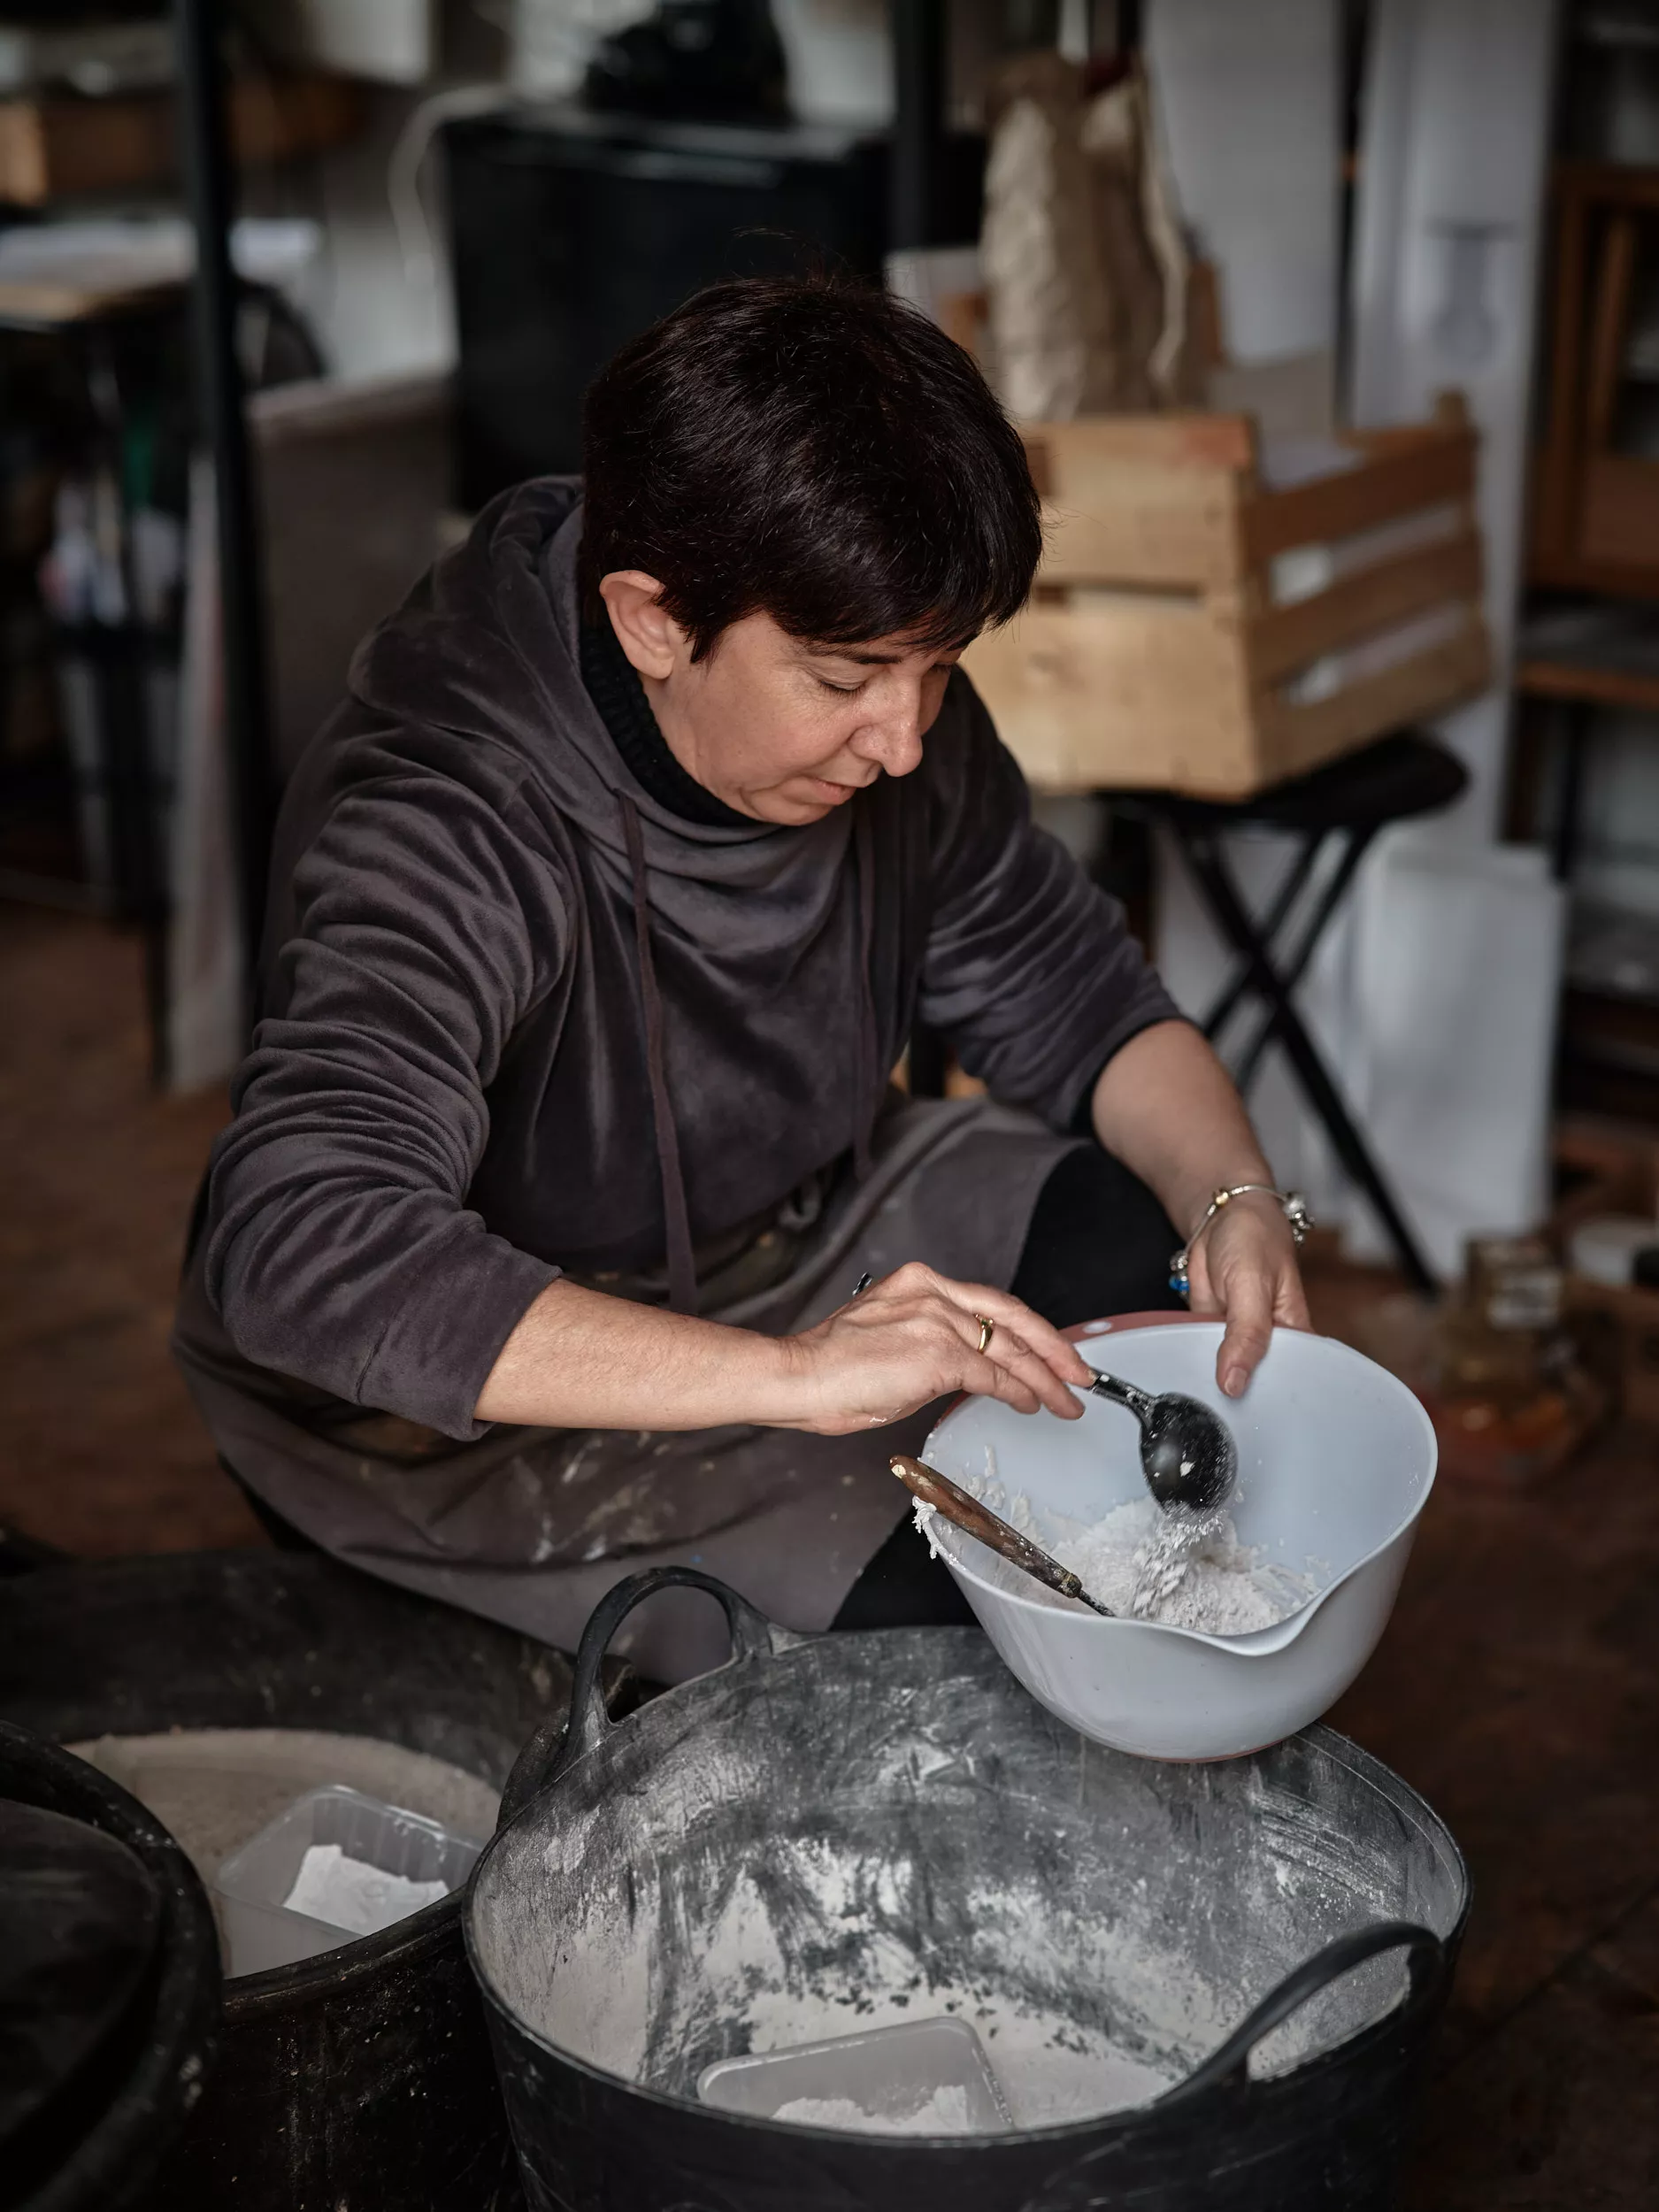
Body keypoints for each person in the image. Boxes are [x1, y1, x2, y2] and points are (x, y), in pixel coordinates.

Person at [173, 275, 1309, 1683]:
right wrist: (797, 1378)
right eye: (841, 682)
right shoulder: (448, 816)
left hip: (797, 1226)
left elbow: (1070, 990)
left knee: (1139, 1260)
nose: (902, 740)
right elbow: (304, 1245)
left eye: (938, 670)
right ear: (652, 621)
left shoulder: (887, 694)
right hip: (484, 1388)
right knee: (958, 1639)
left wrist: (1233, 1196)